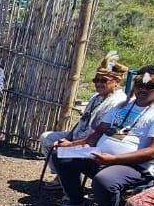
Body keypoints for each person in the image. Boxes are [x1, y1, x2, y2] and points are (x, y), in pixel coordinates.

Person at [53, 66, 154, 206]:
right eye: (139, 84)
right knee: (62, 156)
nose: (143, 89)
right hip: (101, 156)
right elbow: (97, 133)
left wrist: (113, 159)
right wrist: (71, 145)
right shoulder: (123, 106)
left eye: (150, 85)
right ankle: (77, 202)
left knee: (105, 179)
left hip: (136, 167)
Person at [40, 57, 130, 186]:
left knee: (62, 152)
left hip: (95, 143)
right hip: (81, 136)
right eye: (96, 80)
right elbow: (83, 120)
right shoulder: (96, 96)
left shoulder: (119, 102)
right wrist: (69, 138)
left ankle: (68, 181)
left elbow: (99, 134)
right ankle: (62, 176)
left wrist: (71, 144)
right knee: (47, 138)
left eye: (103, 80)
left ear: (116, 81)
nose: (98, 84)